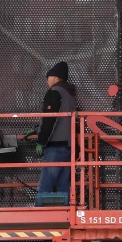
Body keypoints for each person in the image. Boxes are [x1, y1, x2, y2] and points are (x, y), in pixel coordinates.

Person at [29, 61, 78, 206]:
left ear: (56, 77)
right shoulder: (70, 95)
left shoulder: (55, 91)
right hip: (68, 146)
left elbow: (50, 119)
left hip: (54, 146)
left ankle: (39, 219)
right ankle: (65, 217)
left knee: (45, 185)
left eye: (48, 78)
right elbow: (62, 120)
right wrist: (36, 129)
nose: (47, 81)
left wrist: (41, 141)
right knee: (63, 185)